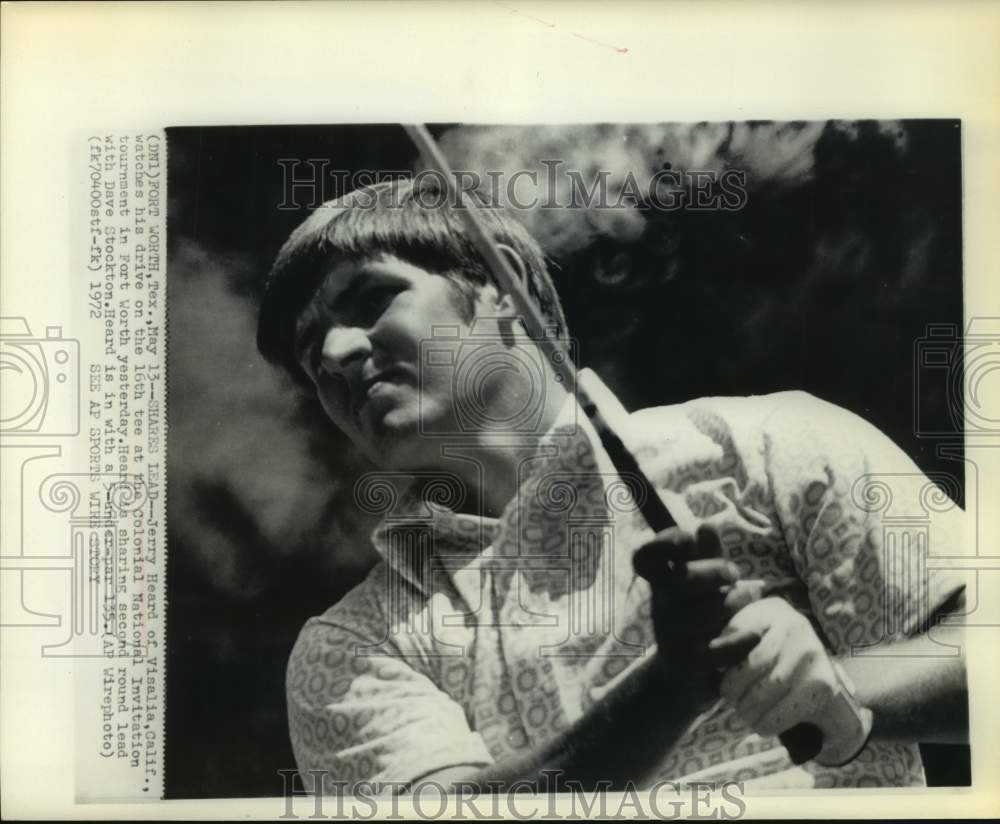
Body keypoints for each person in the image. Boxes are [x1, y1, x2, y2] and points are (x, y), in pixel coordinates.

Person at [256, 176, 968, 794]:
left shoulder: (769, 443)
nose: (333, 353)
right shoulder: (350, 645)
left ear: (503, 288)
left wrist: (840, 691)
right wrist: (674, 685)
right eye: (309, 348)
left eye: (372, 297)